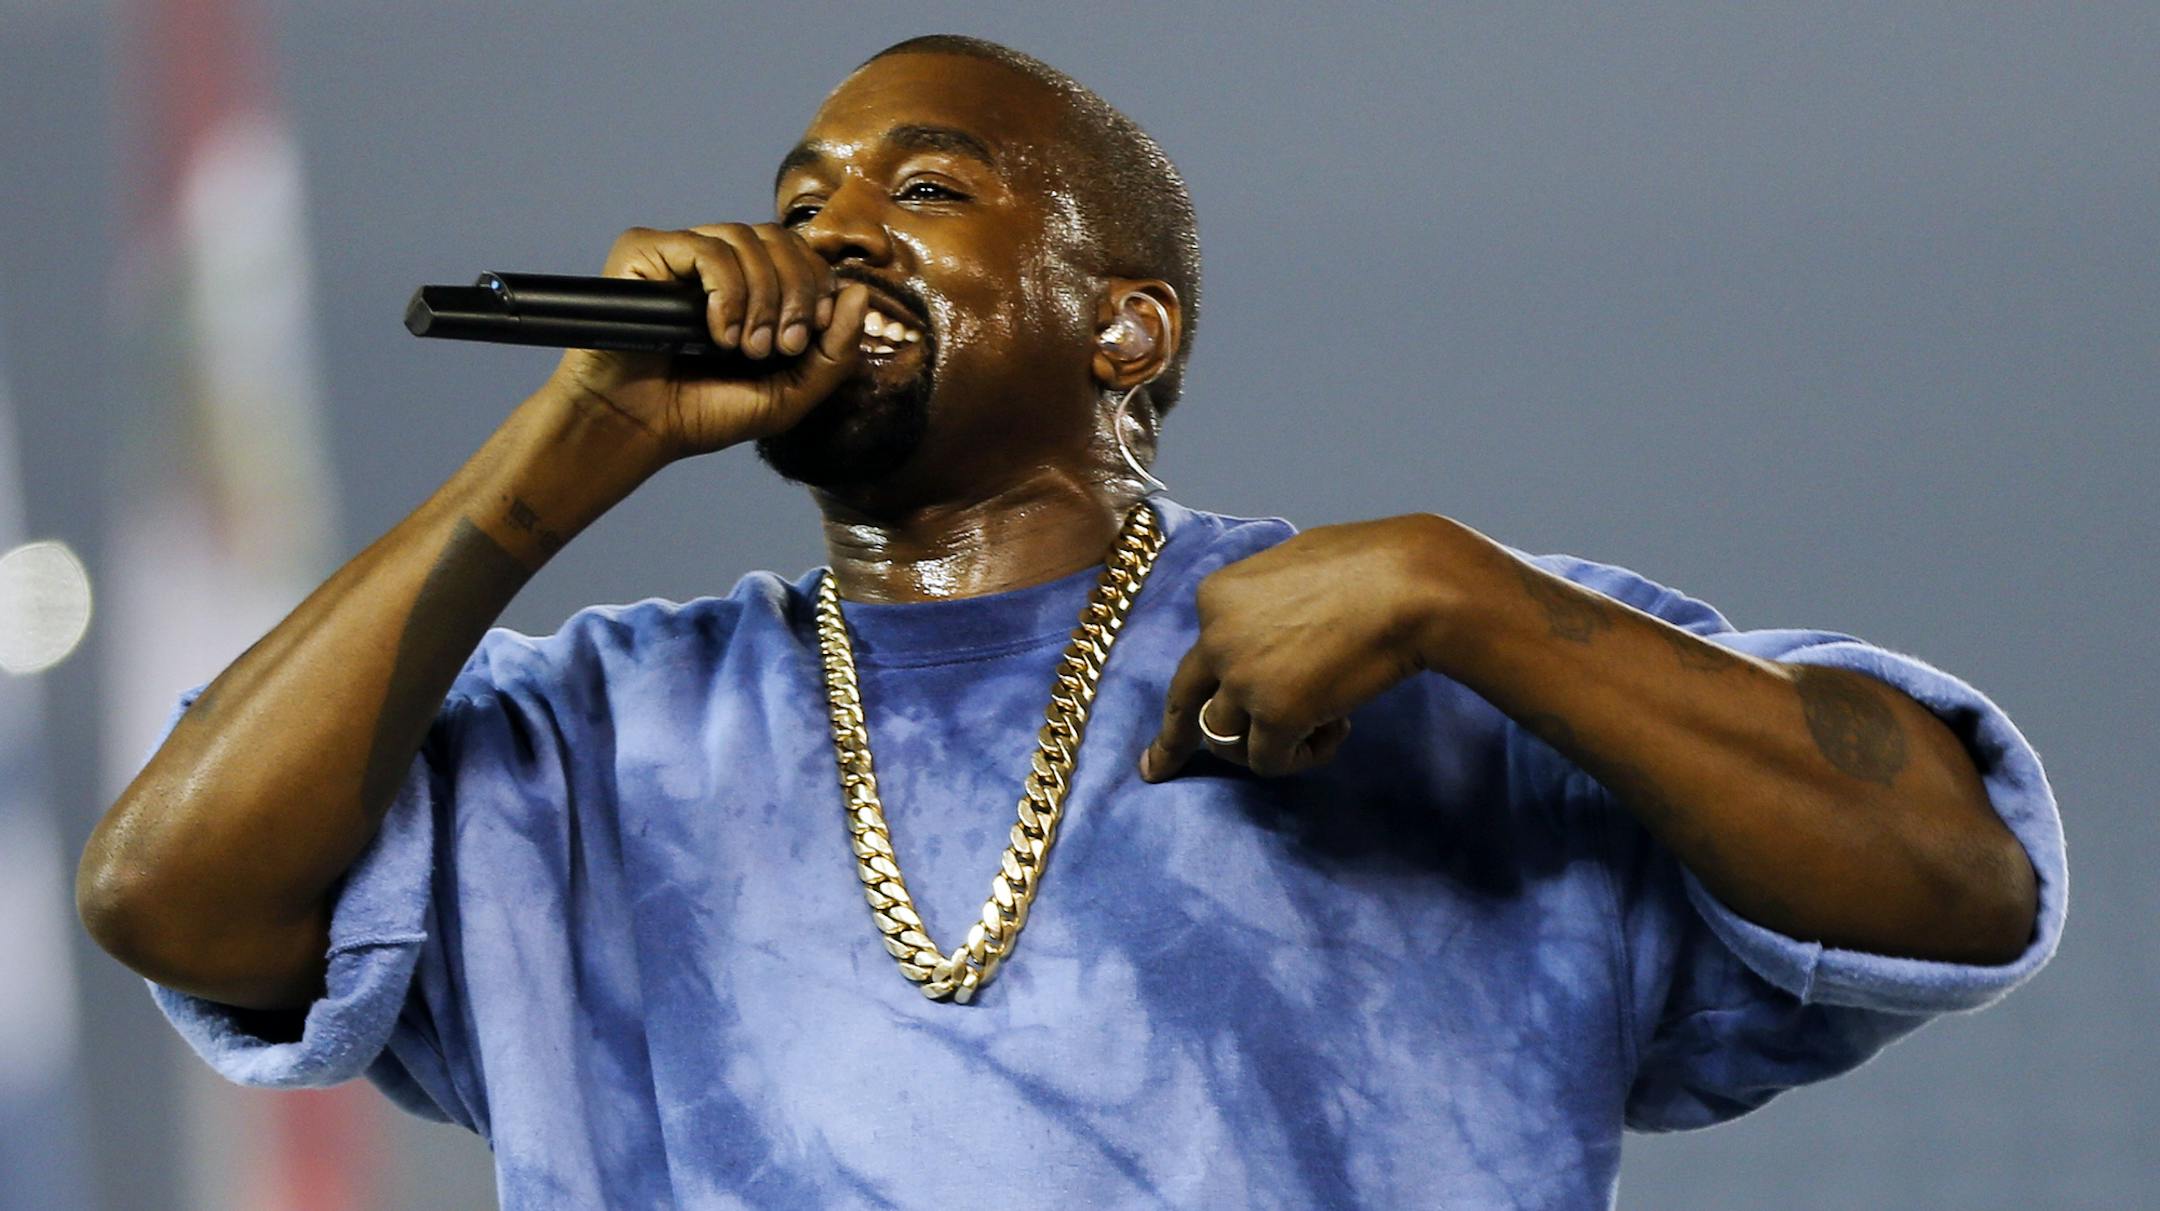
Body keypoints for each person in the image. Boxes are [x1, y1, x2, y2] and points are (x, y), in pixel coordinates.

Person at [79, 34, 2064, 1211]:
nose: (831, 230)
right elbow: (172, 896)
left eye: (926, 189)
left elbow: (1952, 877)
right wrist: (554, 463)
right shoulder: (591, 742)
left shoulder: (1422, 653)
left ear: (1129, 327)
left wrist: (1476, 600)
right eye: (802, 192)